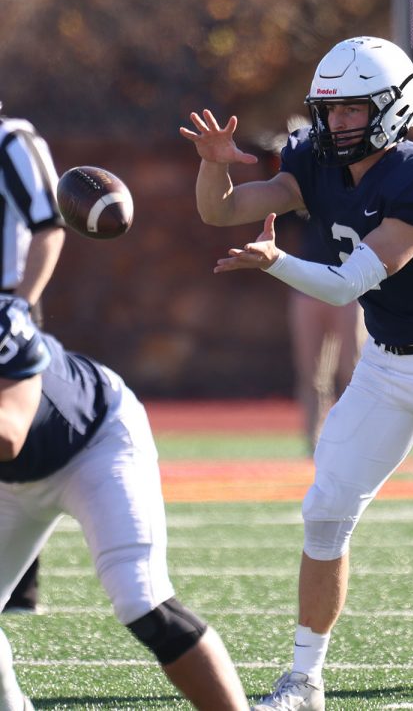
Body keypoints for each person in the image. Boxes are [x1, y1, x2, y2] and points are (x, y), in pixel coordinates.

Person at [181, 35, 413, 711]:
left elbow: (345, 284)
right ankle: (304, 680)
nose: (337, 124)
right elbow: (222, 209)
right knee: (325, 512)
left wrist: (277, 264)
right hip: (387, 363)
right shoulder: (314, 159)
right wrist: (215, 167)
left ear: (393, 107)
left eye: (353, 110)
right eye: (329, 110)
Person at [0, 296, 249, 711]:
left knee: (142, 599)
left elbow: (9, 434)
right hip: (12, 481)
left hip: (95, 444)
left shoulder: (5, 318)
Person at [0, 113, 66, 615]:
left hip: (5, 307)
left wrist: (20, 307)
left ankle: (20, 584)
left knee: (11, 440)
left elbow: (50, 225)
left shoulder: (12, 140)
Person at [289, 213, 366, 452]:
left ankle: (353, 439)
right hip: (309, 284)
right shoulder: (309, 182)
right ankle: (315, 444)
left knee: (352, 370)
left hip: (350, 284)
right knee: (312, 372)